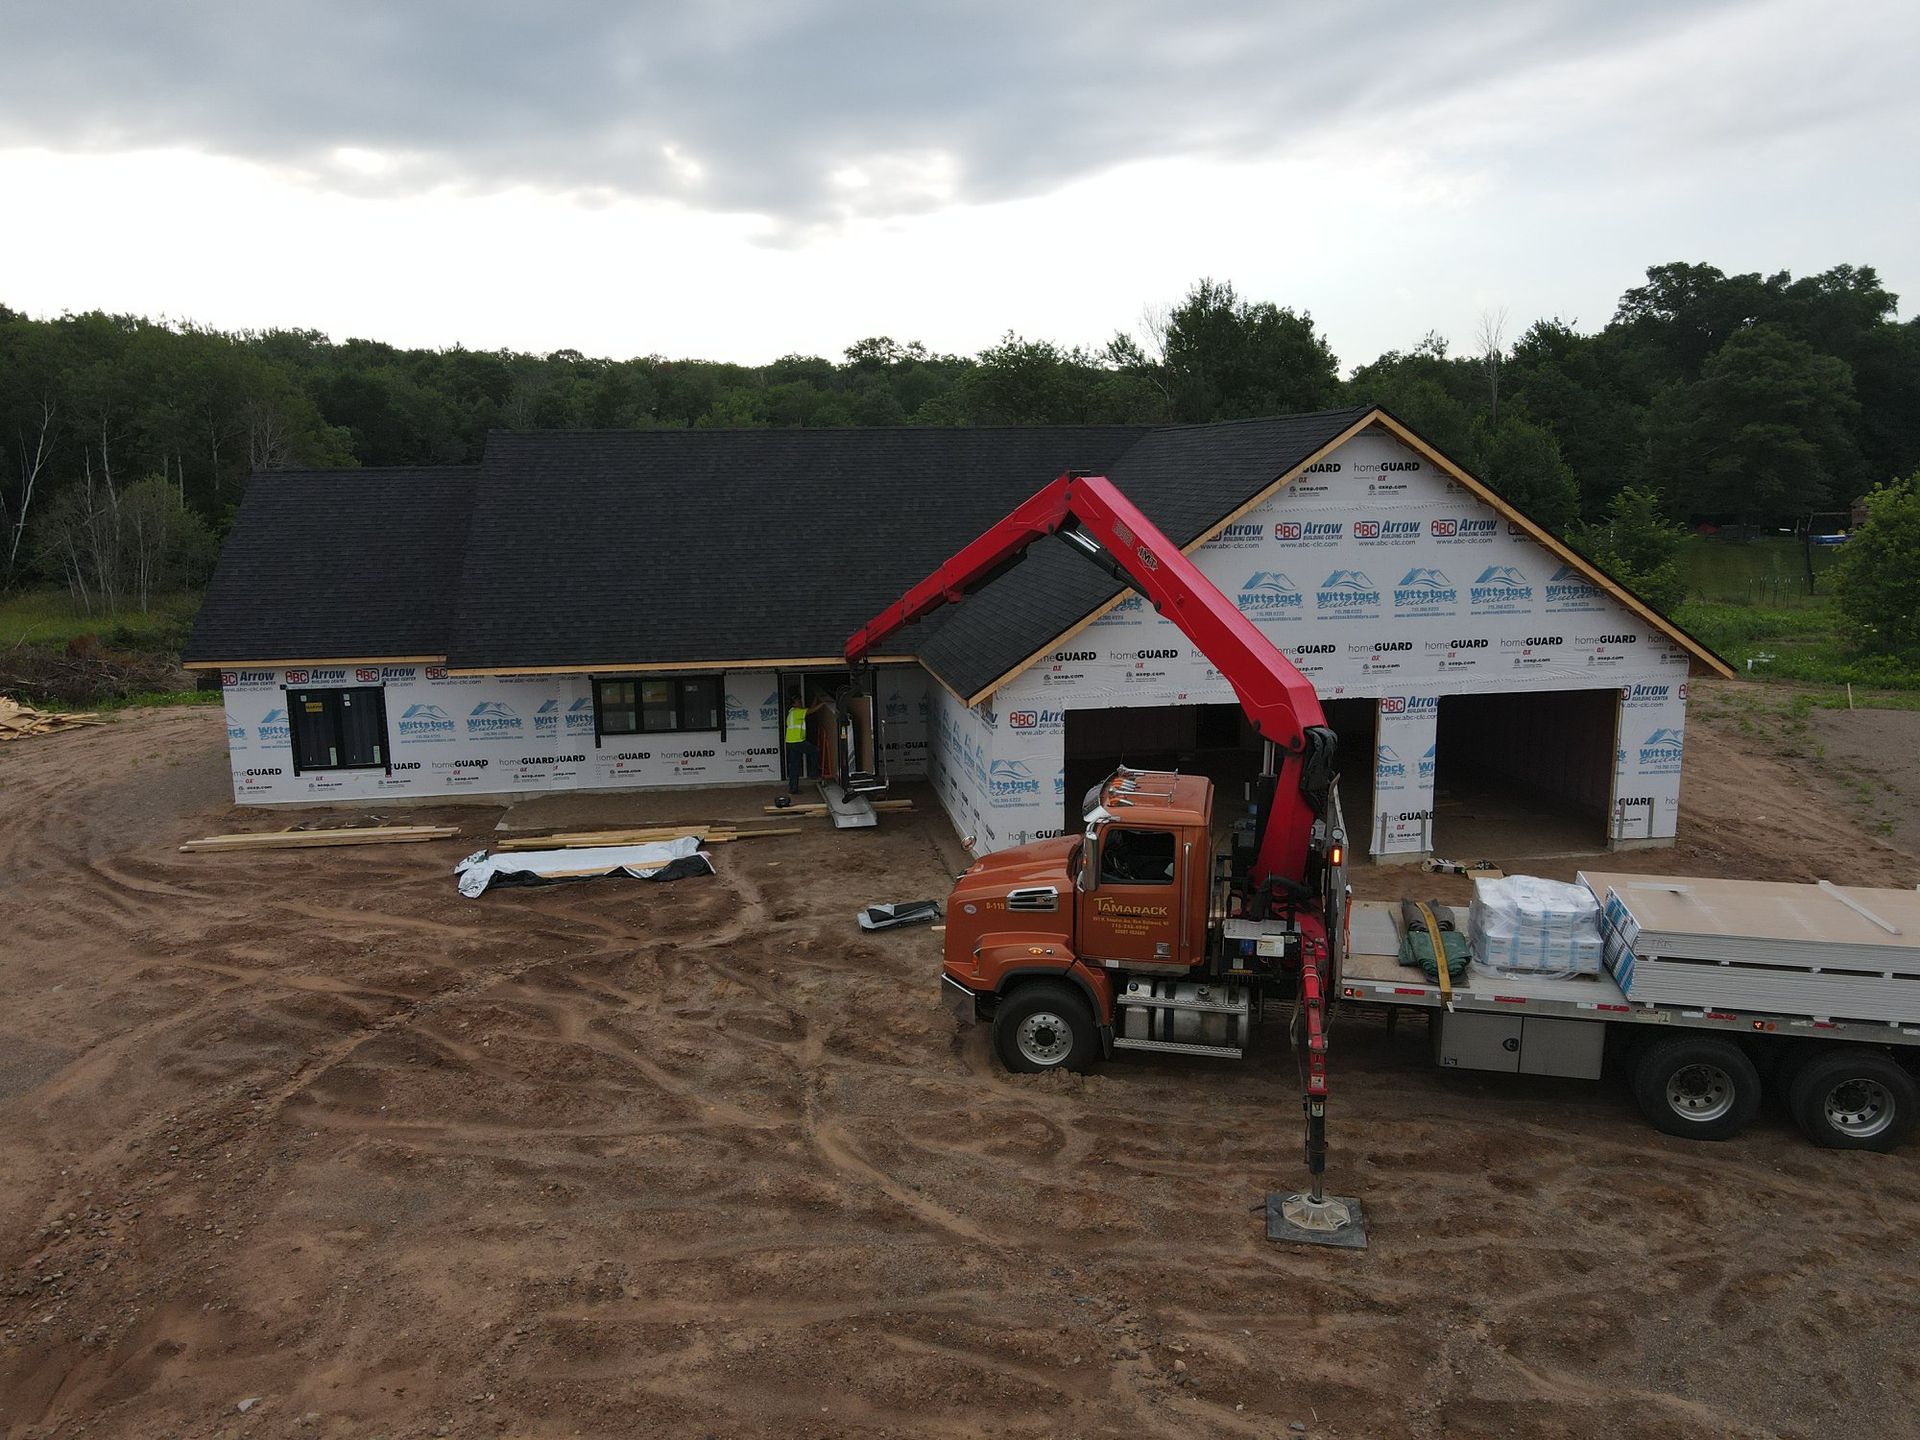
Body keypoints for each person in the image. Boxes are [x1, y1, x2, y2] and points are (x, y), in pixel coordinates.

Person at [783, 690, 832, 796]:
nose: (800, 702)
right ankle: (813, 774)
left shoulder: (792, 712)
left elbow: (809, 709)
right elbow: (811, 711)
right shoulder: (797, 712)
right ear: (793, 704)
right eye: (798, 701)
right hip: (797, 741)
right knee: (815, 751)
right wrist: (823, 704)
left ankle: (793, 789)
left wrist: (816, 699)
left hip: (790, 742)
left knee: (794, 766)